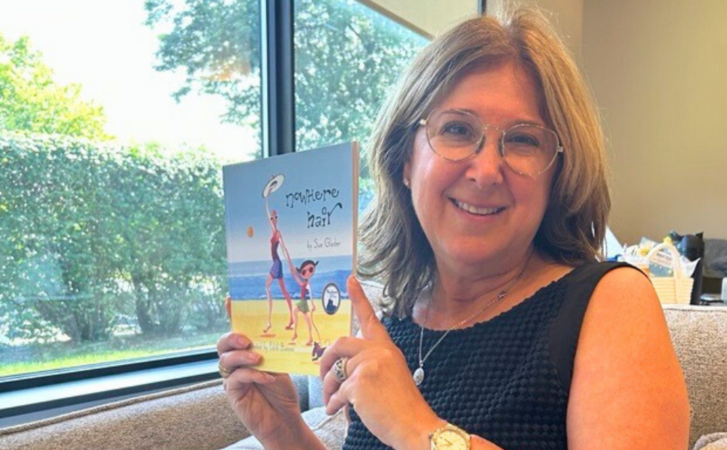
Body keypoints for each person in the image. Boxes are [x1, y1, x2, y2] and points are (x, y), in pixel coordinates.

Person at [217, 6, 690, 450]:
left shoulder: (609, 302)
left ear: (557, 173)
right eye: (457, 130)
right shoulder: (390, 319)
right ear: (405, 159)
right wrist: (286, 432)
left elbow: (410, 429)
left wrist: (418, 428)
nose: (486, 170)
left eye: (523, 140)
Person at [262, 208, 295, 333]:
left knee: (267, 286)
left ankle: (270, 321)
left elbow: (284, 248)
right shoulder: (273, 231)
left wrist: (290, 265)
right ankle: (290, 319)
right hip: (277, 263)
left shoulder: (278, 233)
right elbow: (269, 219)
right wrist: (269, 213)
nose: (274, 220)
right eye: (272, 218)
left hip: (277, 262)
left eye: (276, 218)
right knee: (284, 291)